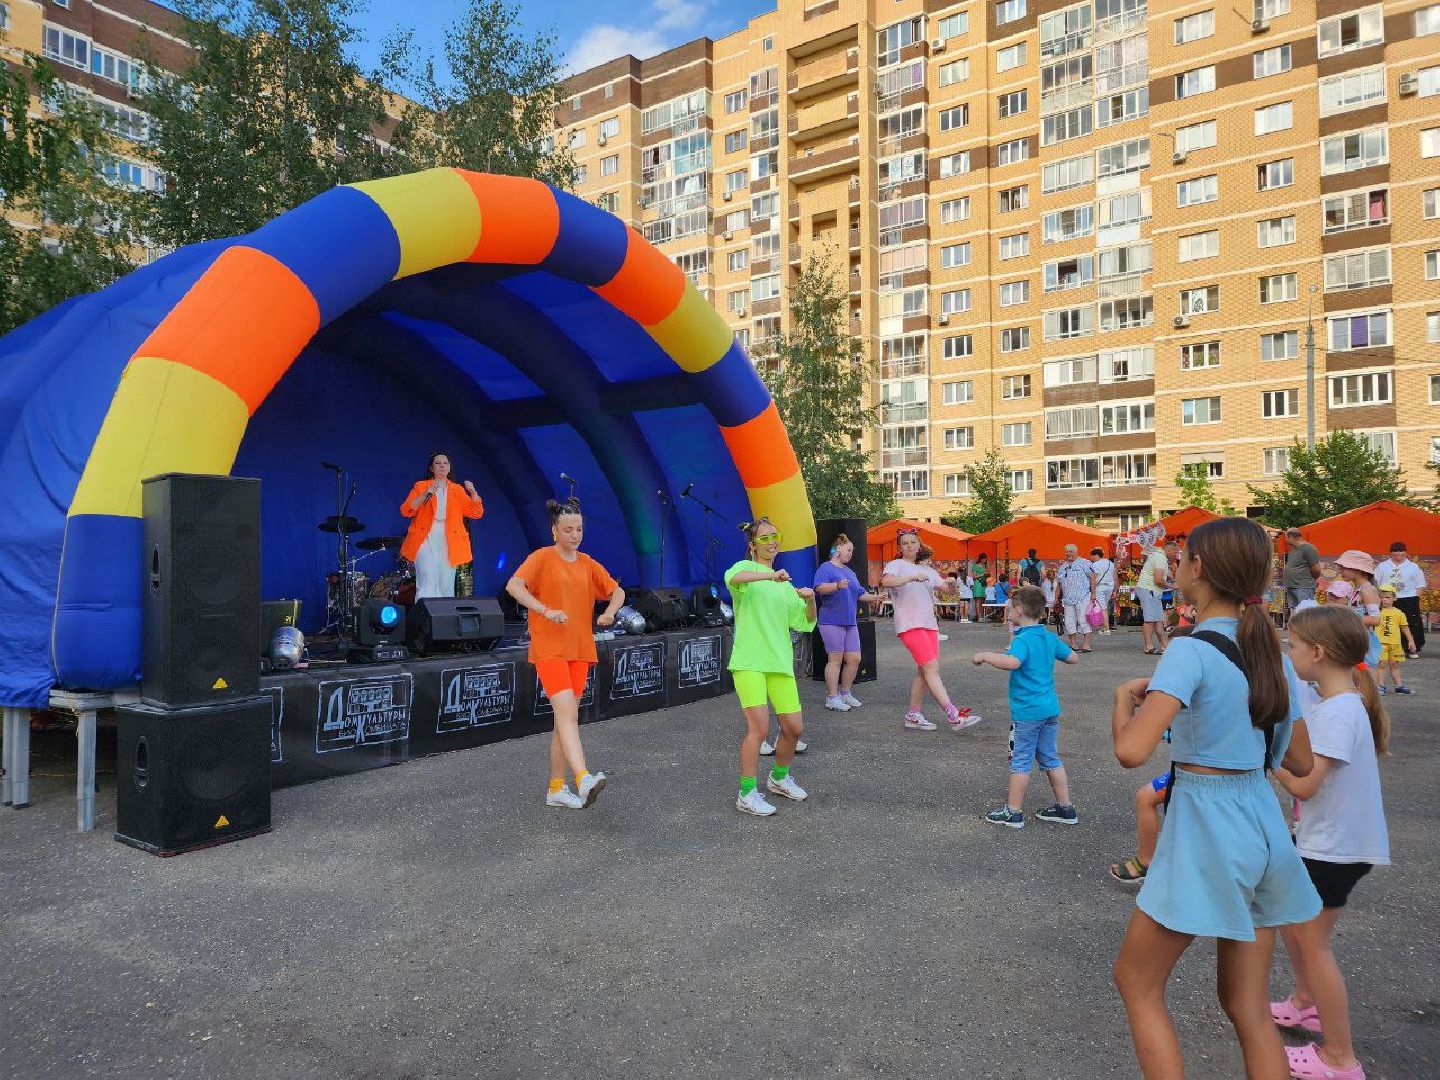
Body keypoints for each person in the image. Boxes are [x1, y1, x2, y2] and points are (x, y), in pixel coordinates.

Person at [1110, 517, 1320, 1079]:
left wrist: (1122, 700)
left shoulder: (1189, 651)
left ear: (1197, 568)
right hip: (1262, 822)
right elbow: (1298, 760)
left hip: (1207, 824)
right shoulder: (1270, 652)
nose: (1177, 565)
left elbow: (1132, 751)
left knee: (1137, 981)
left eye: (1181, 558)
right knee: (1247, 1007)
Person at [1271, 606, 1391, 1080]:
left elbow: (1304, 785)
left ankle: (1339, 1058)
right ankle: (1304, 1004)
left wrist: (1265, 756)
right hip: (1327, 842)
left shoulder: (1339, 712)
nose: (1290, 654)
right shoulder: (1337, 703)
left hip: (1334, 848)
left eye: (1293, 647)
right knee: (1293, 925)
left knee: (1314, 944)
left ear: (1317, 653)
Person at [505, 498, 625, 811]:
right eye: (568, 529)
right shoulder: (542, 557)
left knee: (563, 721)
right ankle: (583, 777)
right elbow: (514, 586)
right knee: (568, 715)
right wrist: (545, 610)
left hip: (580, 649)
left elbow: (617, 591)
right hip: (550, 649)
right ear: (554, 531)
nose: (574, 535)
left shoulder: (587, 562)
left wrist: (610, 611)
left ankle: (556, 788)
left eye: (579, 529)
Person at [725, 518, 817, 817]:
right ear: (752, 545)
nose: (772, 541)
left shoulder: (784, 583)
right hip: (750, 662)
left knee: (794, 728)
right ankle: (747, 793)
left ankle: (779, 779)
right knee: (759, 728)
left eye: (775, 536)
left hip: (779, 664)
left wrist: (811, 600)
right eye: (764, 538)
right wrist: (769, 577)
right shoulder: (743, 569)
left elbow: (805, 623)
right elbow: (735, 581)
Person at [972, 585, 1080, 828]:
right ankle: (1065, 808)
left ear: (1018, 610)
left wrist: (985, 656)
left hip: (1028, 713)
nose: (1008, 610)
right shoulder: (1048, 637)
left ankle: (1013, 812)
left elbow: (1012, 662)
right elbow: (1073, 657)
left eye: (1010, 607)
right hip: (1050, 710)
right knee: (1050, 758)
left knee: (1021, 760)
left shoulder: (1023, 639)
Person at [882, 528, 980, 732]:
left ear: (919, 545)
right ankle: (954, 715)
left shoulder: (928, 571)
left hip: (929, 625)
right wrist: (909, 578)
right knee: (931, 669)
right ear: (900, 547)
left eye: (913, 542)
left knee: (924, 671)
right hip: (910, 625)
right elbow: (886, 582)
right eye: (905, 543)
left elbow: (948, 592)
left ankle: (913, 715)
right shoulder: (896, 565)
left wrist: (952, 584)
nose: (909, 545)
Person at [811, 532, 883, 713]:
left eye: (852, 550)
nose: (851, 553)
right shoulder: (825, 568)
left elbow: (860, 594)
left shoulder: (850, 572)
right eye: (848, 549)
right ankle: (832, 698)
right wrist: (836, 585)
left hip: (850, 622)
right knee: (835, 660)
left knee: (854, 658)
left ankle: (845, 693)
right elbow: (818, 588)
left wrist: (877, 597)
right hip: (831, 621)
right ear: (838, 550)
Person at [399, 452, 485, 599]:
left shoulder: (457, 489)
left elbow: (476, 513)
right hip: (425, 538)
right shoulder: (421, 486)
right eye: (438, 463)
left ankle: (444, 620)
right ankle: (424, 619)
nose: (442, 466)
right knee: (427, 580)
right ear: (431, 468)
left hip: (449, 540)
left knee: (446, 584)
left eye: (445, 463)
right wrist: (425, 494)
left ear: (449, 468)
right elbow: (406, 510)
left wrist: (472, 491)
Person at [1379, 541, 1425, 656]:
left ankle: (1413, 648)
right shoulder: (1383, 566)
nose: (1398, 554)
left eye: (1401, 551)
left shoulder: (1413, 567)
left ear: (1405, 553)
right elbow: (1376, 582)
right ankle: (1389, 648)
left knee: (1411, 623)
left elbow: (1420, 584)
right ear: (1390, 553)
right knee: (1389, 622)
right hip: (1388, 599)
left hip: (1409, 598)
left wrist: (1415, 598)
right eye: (1395, 552)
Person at [1374, 584, 1416, 695]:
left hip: (1395, 644)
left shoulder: (1399, 613)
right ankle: (1381, 686)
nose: (1384, 600)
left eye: (1387, 597)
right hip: (1380, 643)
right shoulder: (1375, 612)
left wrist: (1410, 641)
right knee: (1381, 665)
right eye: (1381, 597)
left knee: (1395, 665)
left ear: (1394, 598)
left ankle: (1399, 686)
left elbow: (1405, 627)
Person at [1056, 544, 1097, 653]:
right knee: (1069, 622)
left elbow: (1093, 577)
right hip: (1068, 599)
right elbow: (1059, 584)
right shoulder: (1062, 566)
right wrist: (1056, 599)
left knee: (1083, 620)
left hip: (1082, 597)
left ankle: (1086, 645)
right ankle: (1073, 644)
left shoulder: (1085, 563)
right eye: (1067, 552)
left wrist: (1093, 594)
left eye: (1071, 552)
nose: (1068, 554)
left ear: (1076, 552)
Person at [1136, 541, 1174, 655]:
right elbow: (1158, 579)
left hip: (1152, 591)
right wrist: (1172, 586)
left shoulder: (1158, 556)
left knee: (1158, 620)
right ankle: (1148, 646)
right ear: (1170, 550)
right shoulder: (1160, 558)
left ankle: (1164, 645)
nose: (1175, 555)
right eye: (1175, 552)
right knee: (1150, 620)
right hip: (1149, 590)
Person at [1283, 527, 1322, 617]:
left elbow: (1316, 568)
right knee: (1295, 613)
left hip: (1304, 586)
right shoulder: (1293, 550)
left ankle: (1307, 631)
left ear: (1291, 536)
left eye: (1286, 538)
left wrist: (1311, 579)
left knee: (1305, 613)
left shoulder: (1308, 548)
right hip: (1292, 586)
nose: (1285, 540)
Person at [1090, 547, 1117, 636]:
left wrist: (1092, 592)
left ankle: (1106, 629)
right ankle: (1104, 627)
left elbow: (1093, 579)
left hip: (1100, 587)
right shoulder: (1111, 563)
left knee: (1103, 608)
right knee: (1105, 606)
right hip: (1110, 586)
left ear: (1097, 555)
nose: (1092, 559)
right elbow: (1115, 577)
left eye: (1092, 557)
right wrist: (1115, 590)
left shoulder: (1095, 565)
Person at [969, 553, 990, 622]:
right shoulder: (975, 566)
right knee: (978, 600)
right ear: (980, 559)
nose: (985, 560)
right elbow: (974, 577)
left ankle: (983, 616)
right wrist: (982, 574)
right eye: (984, 559)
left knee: (983, 600)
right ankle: (979, 617)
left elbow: (987, 575)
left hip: (984, 583)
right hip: (978, 584)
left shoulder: (985, 565)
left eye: (986, 559)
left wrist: (987, 574)